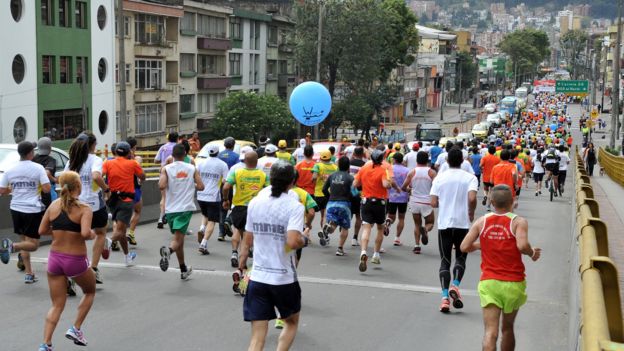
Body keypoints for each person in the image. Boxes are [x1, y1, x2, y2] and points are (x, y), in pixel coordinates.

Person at [237, 162, 308, 351]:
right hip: (283, 278)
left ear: (270, 178)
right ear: (292, 182)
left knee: (257, 337)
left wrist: (242, 264)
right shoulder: (294, 206)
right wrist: (304, 239)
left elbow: (248, 240)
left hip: (258, 277)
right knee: (291, 322)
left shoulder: (255, 202)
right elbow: (293, 241)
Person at [460, 185, 541, 351]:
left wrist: (481, 245)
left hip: (489, 283)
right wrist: (532, 253)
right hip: (514, 283)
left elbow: (464, 246)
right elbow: (522, 245)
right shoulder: (518, 222)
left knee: (490, 332)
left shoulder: (482, 221)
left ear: (491, 201)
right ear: (513, 202)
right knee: (507, 328)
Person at [37, 171, 97, 351]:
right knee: (90, 291)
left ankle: (46, 344)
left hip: (54, 259)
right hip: (75, 260)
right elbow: (86, 233)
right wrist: (93, 234)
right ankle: (76, 328)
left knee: (56, 304)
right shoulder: (84, 208)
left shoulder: (54, 206)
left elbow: (41, 230)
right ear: (78, 187)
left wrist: (59, 231)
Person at [430, 148, 478, 312]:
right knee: (460, 257)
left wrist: (443, 202)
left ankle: (444, 298)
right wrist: (471, 211)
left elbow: (433, 203)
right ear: (463, 161)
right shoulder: (470, 178)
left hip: (444, 224)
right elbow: (472, 198)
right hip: (462, 224)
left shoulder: (439, 178)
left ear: (447, 161)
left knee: (445, 260)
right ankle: (455, 286)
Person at [0, 141, 51, 283]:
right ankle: (11, 246)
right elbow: (47, 189)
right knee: (33, 245)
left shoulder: (10, 169)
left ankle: (29, 273)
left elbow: (2, 190)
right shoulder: (38, 168)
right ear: (30, 153)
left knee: (24, 240)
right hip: (32, 209)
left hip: (15, 208)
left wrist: (16, 189)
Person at [66, 132, 111, 285]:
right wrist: (106, 189)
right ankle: (93, 268)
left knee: (78, 238)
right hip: (93, 205)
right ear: (91, 145)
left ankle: (72, 275)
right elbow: (97, 176)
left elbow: (65, 180)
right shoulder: (95, 159)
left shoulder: (72, 161)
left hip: (76, 205)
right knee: (101, 232)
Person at [158, 144, 204, 280]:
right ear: (185, 155)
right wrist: (191, 183)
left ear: (172, 155)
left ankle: (183, 269)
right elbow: (201, 186)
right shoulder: (191, 168)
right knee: (177, 240)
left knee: (180, 240)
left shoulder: (166, 169)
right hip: (185, 209)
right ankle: (168, 251)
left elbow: (161, 185)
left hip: (170, 209)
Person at [102, 141, 145, 266]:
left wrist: (106, 189)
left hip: (112, 200)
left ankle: (127, 257)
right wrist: (141, 180)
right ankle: (109, 242)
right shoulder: (133, 163)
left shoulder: (108, 163)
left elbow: (100, 175)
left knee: (121, 230)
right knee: (120, 231)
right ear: (128, 152)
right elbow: (142, 175)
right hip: (126, 201)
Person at [222, 151, 268, 268]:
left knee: (241, 234)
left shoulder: (237, 172)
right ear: (257, 162)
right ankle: (244, 266)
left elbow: (226, 186)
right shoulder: (263, 175)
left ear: (245, 161)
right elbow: (269, 191)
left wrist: (226, 199)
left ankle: (239, 263)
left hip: (239, 208)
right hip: (256, 209)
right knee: (249, 240)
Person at [353, 150, 392, 271]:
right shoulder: (384, 169)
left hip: (366, 201)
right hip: (380, 202)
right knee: (380, 228)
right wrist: (389, 182)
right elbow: (386, 185)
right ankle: (375, 254)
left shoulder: (363, 169)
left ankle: (363, 251)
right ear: (381, 159)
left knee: (366, 228)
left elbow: (355, 183)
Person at [196, 144, 229, 254]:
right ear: (218, 152)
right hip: (213, 197)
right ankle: (203, 243)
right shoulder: (222, 165)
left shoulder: (201, 163)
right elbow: (225, 182)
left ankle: (201, 228)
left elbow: (196, 176)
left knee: (205, 215)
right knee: (212, 221)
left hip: (201, 195)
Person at [402, 151, 436, 254]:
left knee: (417, 224)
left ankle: (417, 246)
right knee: (430, 223)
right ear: (427, 160)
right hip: (427, 201)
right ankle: (425, 229)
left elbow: (403, 187)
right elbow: (436, 187)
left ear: (417, 160)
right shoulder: (432, 172)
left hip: (414, 201)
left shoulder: (412, 172)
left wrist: (409, 190)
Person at [320, 156, 354, 256]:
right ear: (349, 166)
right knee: (344, 227)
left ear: (338, 165)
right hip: (344, 205)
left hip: (331, 204)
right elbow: (355, 192)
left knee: (333, 224)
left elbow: (323, 189)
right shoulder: (350, 178)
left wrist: (330, 197)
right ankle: (340, 249)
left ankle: (327, 227)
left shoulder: (332, 176)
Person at [155, 132, 178, 229]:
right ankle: (174, 220)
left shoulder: (163, 147)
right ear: (177, 139)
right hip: (175, 175)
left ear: (168, 139)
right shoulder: (179, 147)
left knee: (164, 197)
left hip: (164, 174)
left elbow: (156, 160)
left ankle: (161, 218)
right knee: (176, 198)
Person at [387, 153, 409, 246]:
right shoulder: (407, 170)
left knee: (391, 215)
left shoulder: (389, 169)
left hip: (391, 196)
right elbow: (409, 184)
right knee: (401, 218)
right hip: (403, 197)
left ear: (394, 160)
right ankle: (397, 238)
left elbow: (387, 181)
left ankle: (388, 222)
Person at [312, 150, 338, 228]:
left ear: (320, 157)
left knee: (321, 214)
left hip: (319, 194)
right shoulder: (335, 167)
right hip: (330, 195)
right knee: (325, 215)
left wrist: (314, 181)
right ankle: (324, 232)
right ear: (330, 158)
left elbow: (314, 177)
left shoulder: (317, 165)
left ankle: (320, 229)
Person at [126, 137, 143, 246]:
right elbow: (140, 173)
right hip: (134, 188)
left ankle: (116, 238)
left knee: (118, 216)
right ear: (133, 148)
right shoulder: (136, 159)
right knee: (137, 211)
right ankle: (131, 233)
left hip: (120, 189)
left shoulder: (116, 160)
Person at [32, 137, 58, 209]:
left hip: (34, 190)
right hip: (48, 190)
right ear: (50, 148)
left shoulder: (33, 159)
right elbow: (47, 173)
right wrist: (55, 179)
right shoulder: (51, 160)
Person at [348, 147, 366, 246]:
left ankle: (343, 230)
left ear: (354, 153)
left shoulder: (349, 163)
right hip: (359, 193)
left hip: (349, 192)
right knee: (359, 216)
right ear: (363, 154)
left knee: (348, 214)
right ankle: (355, 238)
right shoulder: (365, 165)